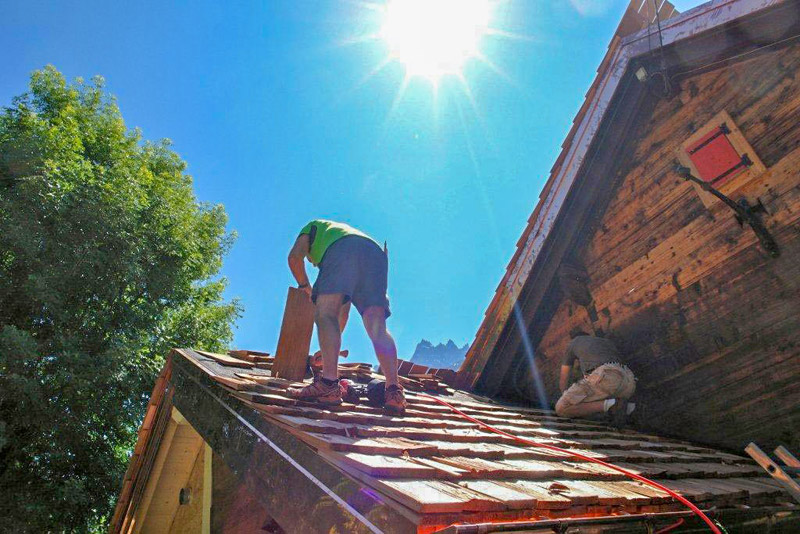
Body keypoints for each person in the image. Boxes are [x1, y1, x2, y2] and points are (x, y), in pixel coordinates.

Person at [286, 219, 407, 415]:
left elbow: (294, 258)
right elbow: (343, 312)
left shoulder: (311, 228)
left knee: (324, 312)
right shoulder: (338, 232)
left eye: (312, 261)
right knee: (378, 327)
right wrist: (328, 353)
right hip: (375, 256)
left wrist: (305, 287)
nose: (313, 262)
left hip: (344, 249)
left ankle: (329, 385)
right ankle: (394, 392)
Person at [555, 333, 636, 423]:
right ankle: (629, 408)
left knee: (562, 407)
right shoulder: (606, 342)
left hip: (606, 376)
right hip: (629, 381)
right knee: (595, 405)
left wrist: (565, 396)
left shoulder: (574, 342)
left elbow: (564, 379)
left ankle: (613, 405)